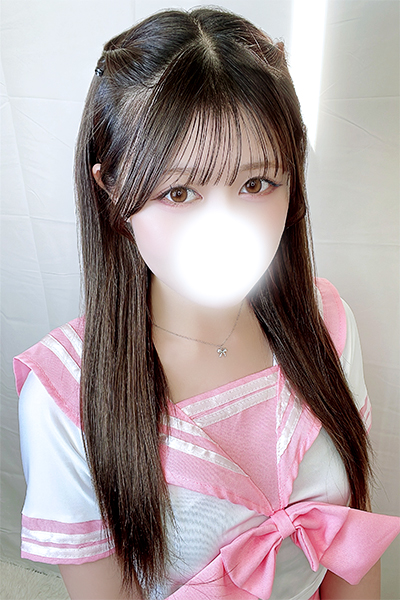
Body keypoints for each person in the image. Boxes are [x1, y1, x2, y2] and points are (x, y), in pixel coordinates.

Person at [13, 7, 399, 600]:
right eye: (179, 192)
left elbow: (350, 541)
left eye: (256, 184)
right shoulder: (67, 397)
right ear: (113, 191)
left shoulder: (326, 324)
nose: (225, 230)